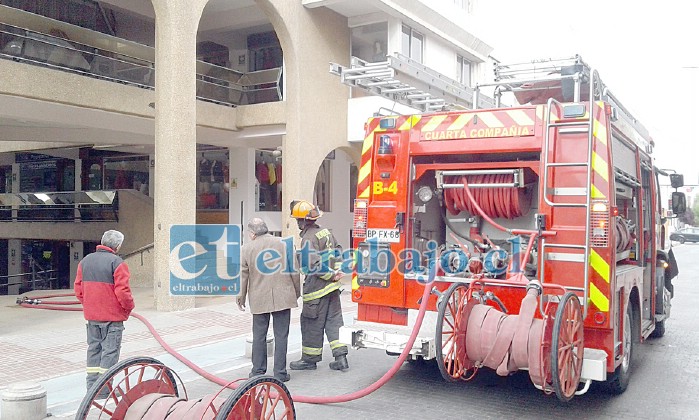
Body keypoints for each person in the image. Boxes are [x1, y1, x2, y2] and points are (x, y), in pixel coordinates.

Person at [237, 218, 301, 382]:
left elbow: (243, 276)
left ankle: (258, 372)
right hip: (283, 296)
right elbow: (294, 270)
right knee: (281, 335)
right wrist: (296, 291)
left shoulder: (246, 249)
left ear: (252, 234)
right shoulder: (284, 244)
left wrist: (241, 296)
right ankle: (280, 373)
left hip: (259, 297)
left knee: (259, 335)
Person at [288, 200, 349, 371]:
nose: (297, 223)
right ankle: (341, 358)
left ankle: (309, 360)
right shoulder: (326, 233)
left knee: (311, 323)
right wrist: (336, 274)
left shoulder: (308, 238)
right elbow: (338, 251)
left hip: (317, 290)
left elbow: (312, 264)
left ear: (302, 221)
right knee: (334, 322)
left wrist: (330, 275)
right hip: (333, 289)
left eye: (297, 220)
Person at [74, 230, 134, 397]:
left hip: (92, 317)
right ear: (118, 245)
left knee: (94, 350)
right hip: (112, 319)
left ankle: (92, 388)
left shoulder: (85, 262)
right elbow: (123, 292)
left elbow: (78, 289)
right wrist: (128, 308)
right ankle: (104, 391)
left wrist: (90, 304)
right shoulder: (118, 263)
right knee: (110, 353)